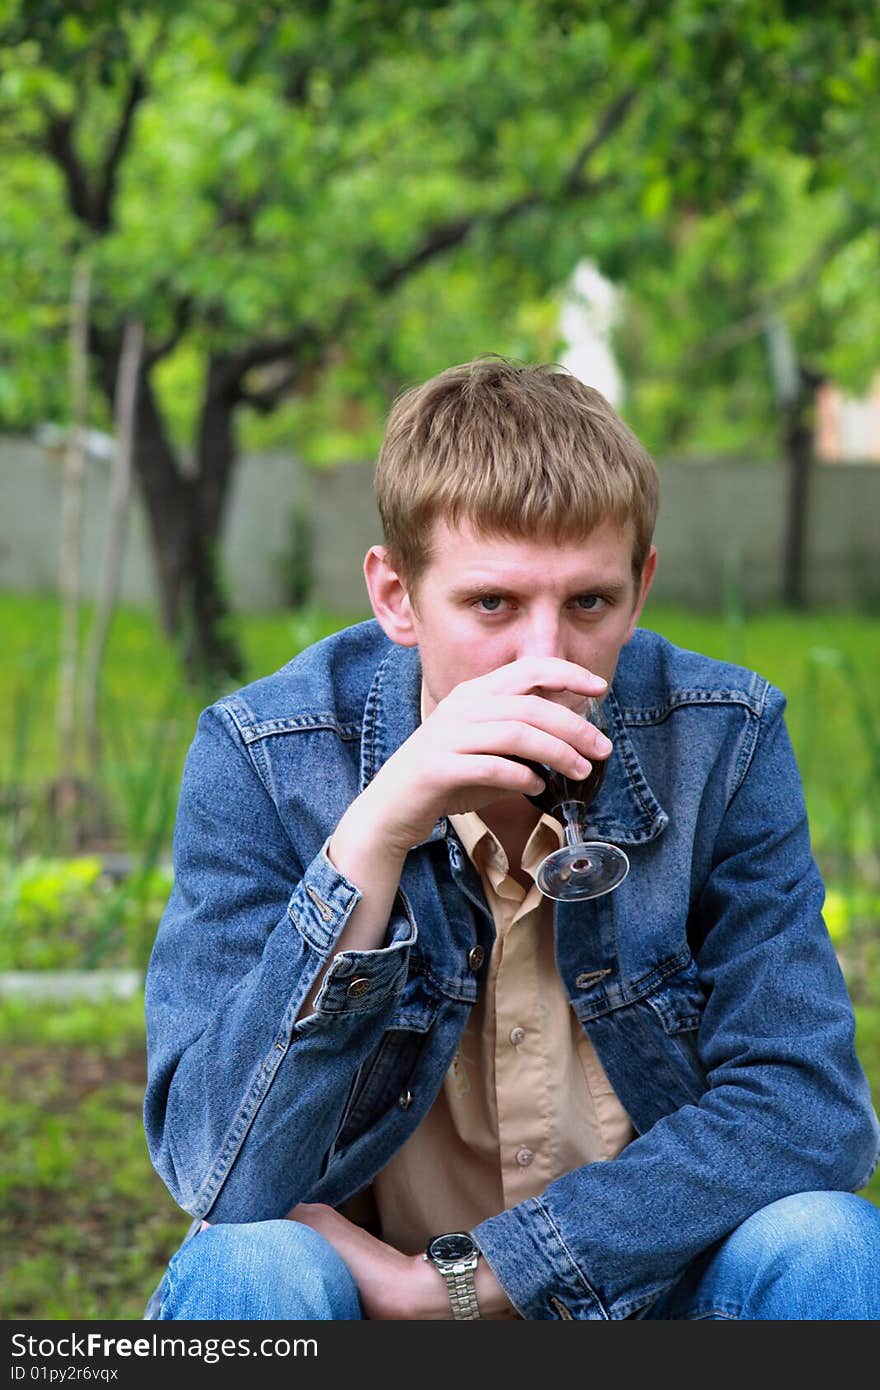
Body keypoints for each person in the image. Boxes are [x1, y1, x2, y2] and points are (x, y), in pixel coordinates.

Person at [143, 357, 880, 1321]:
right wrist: (373, 834)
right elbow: (218, 1170)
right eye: (492, 604)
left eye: (589, 604)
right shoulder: (266, 756)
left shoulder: (720, 739)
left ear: (642, 587)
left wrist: (464, 1283)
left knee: (828, 1243)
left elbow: (807, 1110)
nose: (547, 660)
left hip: (640, 1301)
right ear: (396, 596)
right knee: (251, 1271)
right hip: (360, 1310)